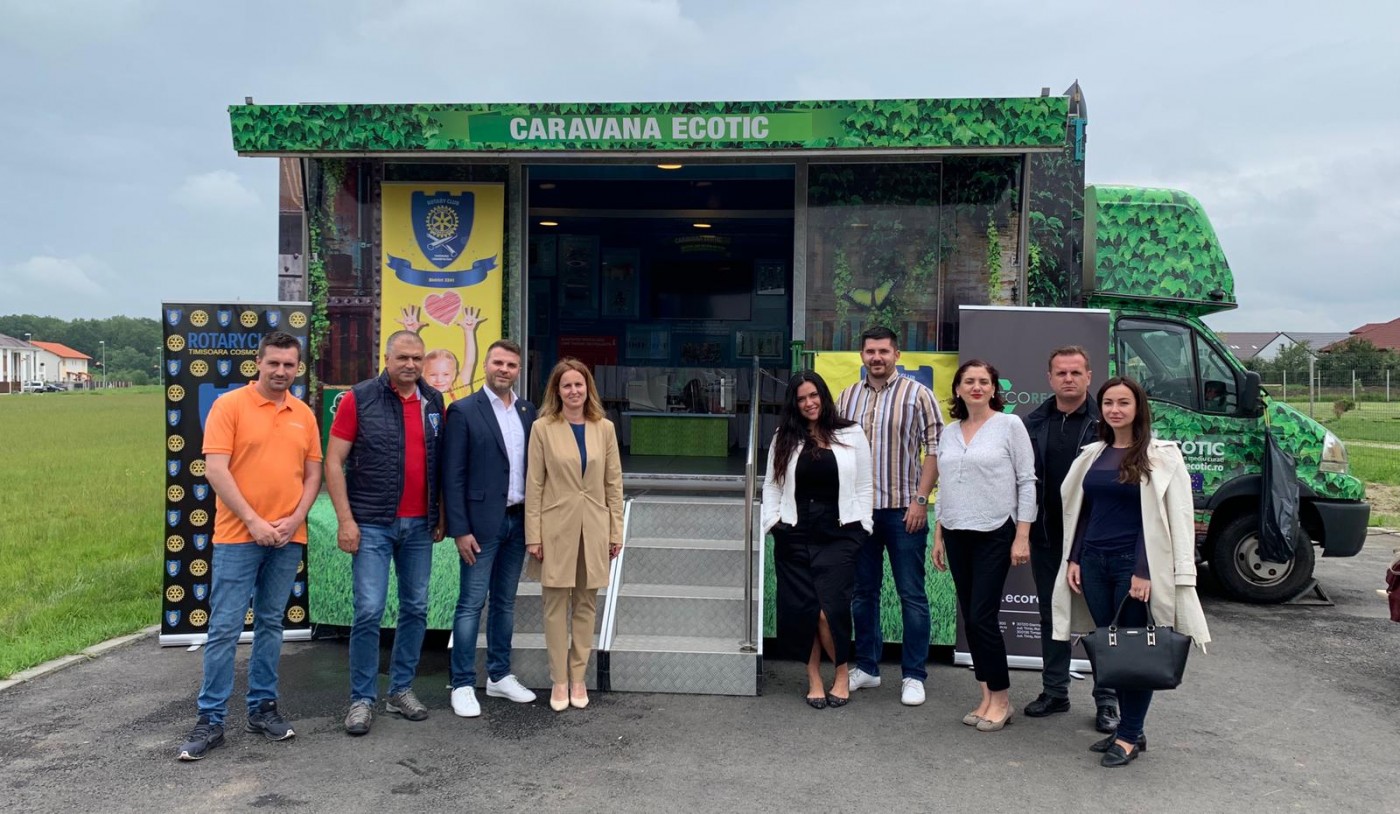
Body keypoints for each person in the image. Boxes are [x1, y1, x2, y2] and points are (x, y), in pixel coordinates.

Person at [1052, 376, 1211, 767]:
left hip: (1133, 567)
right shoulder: (1094, 454)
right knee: (1114, 652)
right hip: (1093, 563)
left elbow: (1159, 520)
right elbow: (1084, 512)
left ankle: (1127, 736)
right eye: (1108, 403)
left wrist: (1143, 570)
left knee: (1136, 651)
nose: (1115, 410)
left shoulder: (1161, 456)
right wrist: (1074, 558)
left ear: (1138, 407)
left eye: (1123, 402)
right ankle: (1131, 730)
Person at [178, 331, 323, 761]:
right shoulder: (230, 406)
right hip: (238, 537)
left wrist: (294, 519)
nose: (281, 371)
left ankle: (262, 709)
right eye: (273, 363)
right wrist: (254, 521)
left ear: (298, 368)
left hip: (287, 536)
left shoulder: (303, 414)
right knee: (224, 628)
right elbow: (216, 470)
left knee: (271, 625)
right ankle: (211, 720)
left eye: (289, 365)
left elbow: (312, 474)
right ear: (257, 362)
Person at [324, 330, 446, 735]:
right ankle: (361, 699)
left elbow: (439, 462)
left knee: (415, 608)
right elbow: (333, 461)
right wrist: (345, 520)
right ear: (387, 358)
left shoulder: (434, 401)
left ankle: (400, 690)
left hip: (420, 526)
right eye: (403, 357)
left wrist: (441, 513)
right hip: (371, 524)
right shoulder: (359, 399)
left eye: (417, 358)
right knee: (369, 610)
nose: (410, 364)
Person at [837, 326, 943, 706]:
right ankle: (867, 667)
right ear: (862, 356)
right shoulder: (847, 397)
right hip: (860, 514)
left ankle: (914, 674)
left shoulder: (918, 395)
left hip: (903, 511)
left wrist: (920, 500)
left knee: (911, 595)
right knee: (863, 594)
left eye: (883, 351)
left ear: (897, 354)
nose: (877, 357)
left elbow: (935, 450)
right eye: (870, 351)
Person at [931, 359, 1036, 732]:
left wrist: (1022, 535)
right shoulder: (949, 432)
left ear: (994, 388)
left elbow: (1026, 480)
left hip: (995, 530)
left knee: (982, 617)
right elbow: (945, 484)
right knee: (971, 618)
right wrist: (939, 533)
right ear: (958, 389)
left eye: (984, 381)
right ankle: (986, 697)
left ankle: (1002, 700)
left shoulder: (1010, 425)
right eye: (969, 381)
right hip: (956, 530)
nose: (976, 387)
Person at [1021, 346, 1118, 732]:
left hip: (1096, 541)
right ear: (1050, 378)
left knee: (1100, 620)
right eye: (1061, 373)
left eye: (1076, 372)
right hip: (1047, 538)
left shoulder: (1106, 423)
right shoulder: (1033, 423)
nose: (1068, 379)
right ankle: (1055, 692)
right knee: (1052, 616)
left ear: (1089, 376)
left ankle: (1107, 700)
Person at [763, 371, 873, 709]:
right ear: (794, 404)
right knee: (804, 611)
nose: (809, 403)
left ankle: (841, 674)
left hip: (840, 534)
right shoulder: (784, 437)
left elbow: (865, 485)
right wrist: (773, 522)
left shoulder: (851, 432)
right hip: (794, 534)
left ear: (823, 396)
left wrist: (863, 525)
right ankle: (813, 678)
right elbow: (772, 484)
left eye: (813, 395)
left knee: (830, 611)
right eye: (801, 399)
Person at [442, 339, 538, 717]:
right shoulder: (464, 410)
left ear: (518, 370)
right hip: (479, 527)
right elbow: (452, 476)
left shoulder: (528, 411)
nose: (504, 370)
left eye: (511, 365)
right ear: (486, 364)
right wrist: (460, 530)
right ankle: (463, 683)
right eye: (498, 362)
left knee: (505, 602)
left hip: (518, 520)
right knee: (471, 604)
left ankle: (499, 675)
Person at [525, 358, 623, 712]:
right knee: (554, 607)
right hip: (555, 529)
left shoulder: (604, 428)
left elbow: (613, 483)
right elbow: (535, 484)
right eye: (566, 385)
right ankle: (559, 680)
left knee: (585, 605)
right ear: (557, 390)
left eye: (579, 384)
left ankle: (578, 677)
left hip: (594, 528)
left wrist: (616, 530)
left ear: (587, 388)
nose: (573, 391)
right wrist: (533, 535)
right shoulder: (543, 428)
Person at [396, 302, 486, 403]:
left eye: (446, 374)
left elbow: (469, 362)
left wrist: (468, 331)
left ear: (454, 375)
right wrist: (411, 331)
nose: (439, 380)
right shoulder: (419, 391)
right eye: (433, 375)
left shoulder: (459, 390)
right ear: (422, 374)